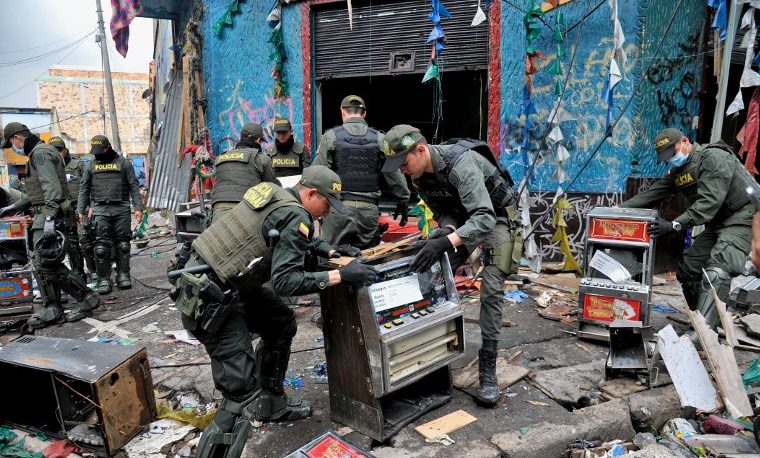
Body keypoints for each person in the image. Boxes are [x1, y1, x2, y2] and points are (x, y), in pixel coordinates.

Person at [169, 166, 372, 458]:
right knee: (240, 397)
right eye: (327, 204)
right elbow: (285, 281)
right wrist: (341, 276)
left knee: (281, 322)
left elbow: (291, 237)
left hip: (222, 284)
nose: (327, 212)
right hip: (211, 304)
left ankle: (272, 403)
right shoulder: (296, 214)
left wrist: (331, 252)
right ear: (311, 193)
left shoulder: (278, 193)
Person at [380, 124, 520, 406]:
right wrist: (446, 231)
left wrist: (447, 241)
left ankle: (488, 369)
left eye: (404, 163)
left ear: (420, 150)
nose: (402, 171)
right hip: (464, 218)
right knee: (430, 273)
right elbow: (443, 209)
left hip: (495, 218)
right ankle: (426, 359)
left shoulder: (461, 165)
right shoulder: (419, 174)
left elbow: (484, 218)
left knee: (491, 291)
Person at [620, 128, 759, 329]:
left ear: (685, 141)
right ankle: (706, 320)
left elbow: (708, 204)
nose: (672, 159)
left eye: (673, 152)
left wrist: (674, 225)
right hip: (718, 223)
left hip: (743, 217)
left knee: (717, 271)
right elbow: (653, 193)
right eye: (667, 157)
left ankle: (705, 331)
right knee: (689, 269)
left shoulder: (714, 158)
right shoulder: (680, 171)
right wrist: (617, 209)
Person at [2, 122, 100, 328]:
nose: (14, 149)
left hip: (48, 216)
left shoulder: (40, 154)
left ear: (18, 137)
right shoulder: (40, 153)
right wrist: (12, 207)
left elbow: (52, 189)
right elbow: (36, 192)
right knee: (42, 264)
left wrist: (48, 220)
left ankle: (86, 298)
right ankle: (52, 308)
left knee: (47, 264)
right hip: (46, 214)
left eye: (12, 144)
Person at [313, 95, 410, 248]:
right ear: (364, 114)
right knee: (369, 262)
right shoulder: (380, 138)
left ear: (342, 112)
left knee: (330, 259)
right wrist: (403, 200)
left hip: (338, 210)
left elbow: (316, 174)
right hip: (368, 212)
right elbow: (395, 176)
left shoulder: (330, 136)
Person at [77, 135, 144, 294]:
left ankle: (123, 275)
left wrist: (139, 208)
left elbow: (134, 186)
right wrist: (81, 211)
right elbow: (84, 189)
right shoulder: (90, 166)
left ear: (108, 147)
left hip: (121, 208)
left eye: (100, 151)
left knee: (123, 245)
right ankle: (103, 280)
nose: (97, 154)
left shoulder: (124, 164)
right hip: (100, 209)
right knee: (101, 248)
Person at [210, 123, 278, 223]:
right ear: (258, 140)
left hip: (217, 212)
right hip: (245, 212)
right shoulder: (262, 158)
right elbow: (274, 189)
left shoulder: (221, 158)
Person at [49, 136, 93, 282]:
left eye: (59, 150)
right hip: (65, 211)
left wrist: (92, 206)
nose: (57, 154)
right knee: (71, 244)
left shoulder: (78, 165)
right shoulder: (51, 169)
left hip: (81, 207)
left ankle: (94, 271)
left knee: (86, 241)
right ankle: (78, 273)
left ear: (65, 150)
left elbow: (90, 187)